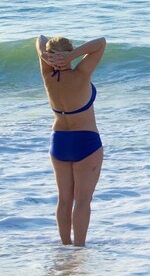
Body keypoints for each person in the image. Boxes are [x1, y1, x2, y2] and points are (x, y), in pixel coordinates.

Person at [36, 35, 106, 247]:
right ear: (69, 52)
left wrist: (45, 56)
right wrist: (73, 56)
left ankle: (65, 246)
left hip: (59, 141)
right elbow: (101, 42)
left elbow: (39, 38)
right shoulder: (81, 73)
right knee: (83, 200)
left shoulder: (47, 74)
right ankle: (80, 249)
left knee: (64, 199)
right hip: (85, 140)